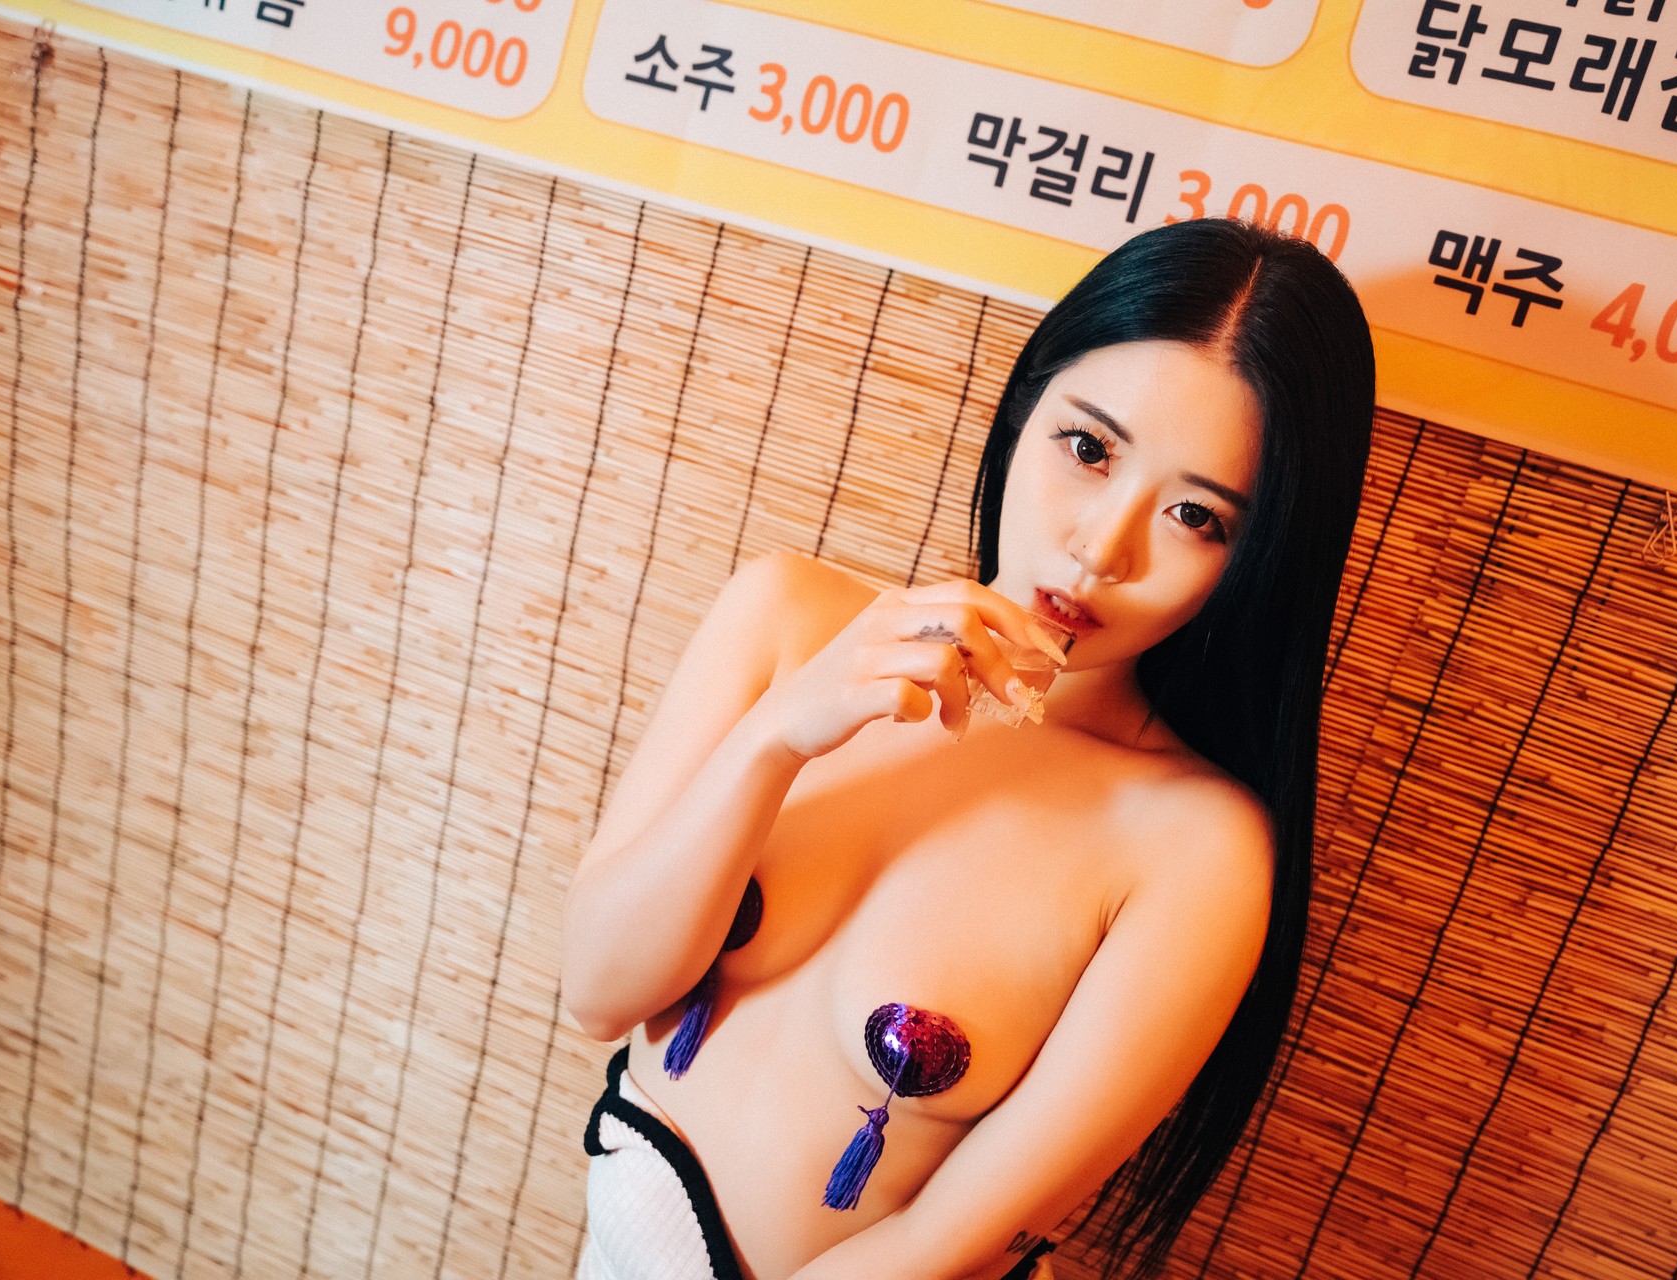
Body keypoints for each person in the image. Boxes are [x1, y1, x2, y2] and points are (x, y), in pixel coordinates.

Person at [561, 216, 1376, 1280]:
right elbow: (598, 990)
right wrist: (777, 737)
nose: (1100, 548)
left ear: (1255, 556)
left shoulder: (1195, 848)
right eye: (1088, 449)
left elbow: (949, 1241)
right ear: (1025, 407)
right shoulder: (787, 616)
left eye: (1194, 515)